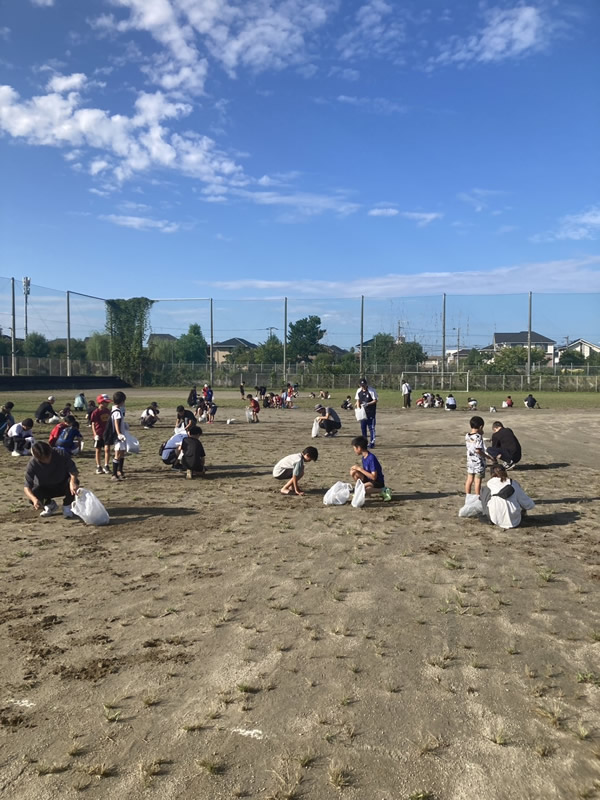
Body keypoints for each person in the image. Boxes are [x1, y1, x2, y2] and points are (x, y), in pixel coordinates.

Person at [23, 441, 78, 519]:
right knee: (33, 493)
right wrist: (34, 499)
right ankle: (49, 505)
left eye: (48, 456)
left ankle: (67, 506)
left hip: (62, 485)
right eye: (43, 459)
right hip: (45, 488)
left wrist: (72, 482)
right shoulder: (32, 464)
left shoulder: (61, 453)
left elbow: (73, 470)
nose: (47, 460)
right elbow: (27, 487)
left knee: (75, 482)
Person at [480, 464, 535, 528]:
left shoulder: (489, 484)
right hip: (515, 520)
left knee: (485, 492)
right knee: (519, 498)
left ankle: (488, 515)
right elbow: (529, 505)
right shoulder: (513, 484)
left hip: (494, 518)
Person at [104, 391, 128, 482]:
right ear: (122, 401)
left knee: (122, 453)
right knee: (117, 454)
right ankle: (114, 474)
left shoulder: (116, 410)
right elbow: (116, 424)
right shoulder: (117, 411)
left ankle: (120, 471)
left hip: (120, 435)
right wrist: (119, 434)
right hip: (118, 436)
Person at [465, 416, 486, 497]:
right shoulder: (478, 437)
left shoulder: (467, 435)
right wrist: (487, 457)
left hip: (470, 460)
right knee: (477, 481)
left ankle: (468, 496)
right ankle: (477, 497)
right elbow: (478, 450)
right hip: (478, 462)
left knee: (469, 479)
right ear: (481, 427)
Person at [90, 396, 111, 475]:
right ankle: (98, 466)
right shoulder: (96, 412)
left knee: (107, 449)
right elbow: (93, 424)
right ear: (100, 403)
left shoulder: (108, 411)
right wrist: (95, 434)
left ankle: (106, 465)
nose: (107, 404)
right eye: (106, 402)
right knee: (98, 450)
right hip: (99, 434)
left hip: (107, 433)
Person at [355, 378, 378, 447]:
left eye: (364, 385)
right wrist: (358, 408)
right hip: (363, 413)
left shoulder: (371, 390)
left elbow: (375, 400)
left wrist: (367, 404)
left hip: (370, 412)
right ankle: (364, 442)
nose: (363, 387)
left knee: (371, 427)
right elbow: (358, 400)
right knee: (363, 427)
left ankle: (372, 442)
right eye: (361, 385)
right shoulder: (358, 391)